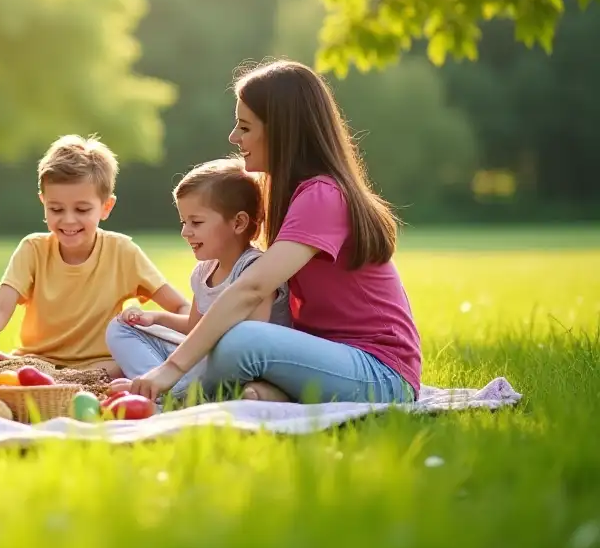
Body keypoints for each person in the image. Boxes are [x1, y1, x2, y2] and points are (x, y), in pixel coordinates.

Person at [129, 60, 422, 404]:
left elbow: (252, 288)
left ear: (282, 131)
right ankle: (270, 394)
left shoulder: (322, 196)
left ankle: (178, 395)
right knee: (199, 334)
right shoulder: (290, 192)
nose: (233, 137)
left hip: (382, 375)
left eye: (245, 127)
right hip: (330, 358)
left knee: (240, 340)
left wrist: (171, 369)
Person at [0, 134, 192, 375]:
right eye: (56, 209)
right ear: (43, 202)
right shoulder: (32, 250)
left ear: (106, 207)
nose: (68, 219)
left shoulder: (123, 252)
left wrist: (155, 324)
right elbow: (0, 306)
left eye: (82, 209)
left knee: (122, 369)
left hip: (99, 367)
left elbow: (181, 307)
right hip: (35, 364)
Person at [105, 157, 291, 399]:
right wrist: (154, 318)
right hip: (199, 360)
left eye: (196, 222)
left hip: (236, 362)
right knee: (120, 327)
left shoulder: (255, 269)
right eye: (184, 222)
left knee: (228, 351)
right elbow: (194, 327)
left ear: (238, 222)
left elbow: (249, 340)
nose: (185, 231)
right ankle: (156, 387)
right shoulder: (204, 272)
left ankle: (162, 393)